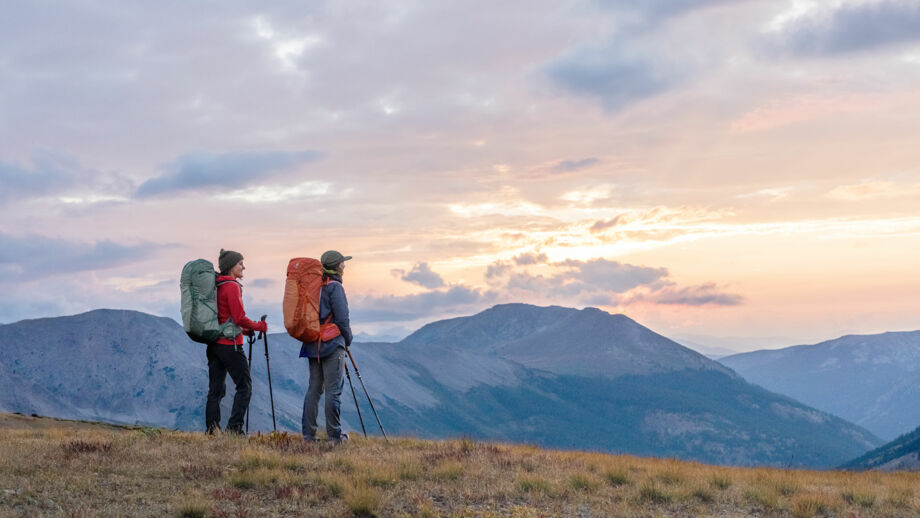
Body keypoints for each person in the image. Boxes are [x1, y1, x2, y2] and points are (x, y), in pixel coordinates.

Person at [206, 249, 267, 435]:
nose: (244, 267)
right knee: (245, 387)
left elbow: (226, 317)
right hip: (230, 345)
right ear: (231, 266)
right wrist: (259, 326)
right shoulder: (232, 286)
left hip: (214, 343)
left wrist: (246, 330)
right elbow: (239, 317)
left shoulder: (217, 286)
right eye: (240, 263)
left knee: (215, 390)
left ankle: (212, 431)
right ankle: (234, 430)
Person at [301, 250, 354, 443]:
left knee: (314, 388)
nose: (345, 266)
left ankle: (308, 435)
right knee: (333, 390)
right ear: (337, 266)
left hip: (312, 343)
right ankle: (334, 436)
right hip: (332, 343)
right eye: (343, 263)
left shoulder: (315, 287)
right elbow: (342, 318)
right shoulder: (335, 288)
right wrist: (347, 339)